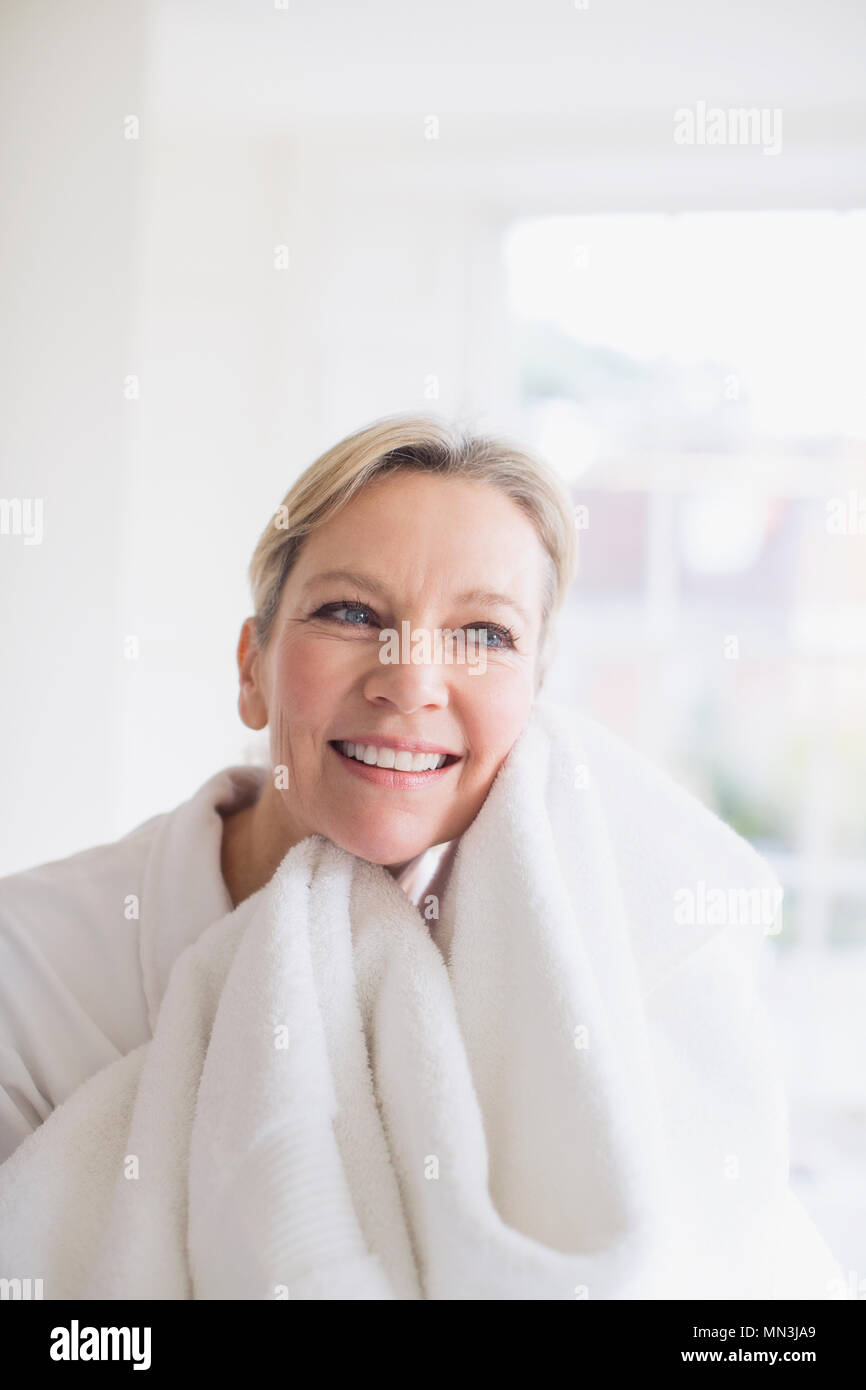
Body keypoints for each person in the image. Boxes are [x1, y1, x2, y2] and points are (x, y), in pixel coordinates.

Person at [0, 412, 577, 1167]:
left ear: (534, 703)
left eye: (484, 634)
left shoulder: (575, 989)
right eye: (351, 613)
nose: (410, 684)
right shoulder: (27, 969)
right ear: (252, 671)